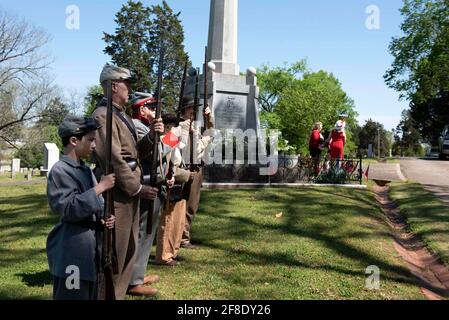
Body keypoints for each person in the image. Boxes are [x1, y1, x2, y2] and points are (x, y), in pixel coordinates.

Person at [91, 64, 163, 299]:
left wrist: (152, 135)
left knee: (128, 250)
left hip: (127, 192)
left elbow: (133, 153)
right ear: (113, 86)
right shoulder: (103, 115)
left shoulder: (120, 114)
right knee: (114, 254)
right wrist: (137, 188)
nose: (129, 90)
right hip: (118, 194)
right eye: (126, 85)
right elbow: (112, 159)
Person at [46, 115, 116, 300]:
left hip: (90, 247)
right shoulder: (60, 170)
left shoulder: (85, 170)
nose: (94, 145)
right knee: (73, 295)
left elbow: (95, 205)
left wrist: (104, 218)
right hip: (72, 250)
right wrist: (100, 188)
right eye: (91, 139)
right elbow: (68, 208)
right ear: (74, 140)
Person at [127, 93, 161, 297]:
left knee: (147, 232)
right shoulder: (139, 127)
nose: (155, 111)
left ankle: (138, 274)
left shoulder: (145, 127)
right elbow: (156, 152)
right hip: (144, 182)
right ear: (142, 109)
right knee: (142, 231)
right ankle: (132, 280)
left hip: (151, 179)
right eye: (152, 107)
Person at [155, 113, 192, 266]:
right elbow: (162, 158)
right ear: (168, 126)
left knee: (177, 221)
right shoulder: (164, 140)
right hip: (169, 182)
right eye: (175, 126)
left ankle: (173, 251)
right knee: (168, 222)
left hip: (178, 182)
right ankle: (164, 255)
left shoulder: (173, 139)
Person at [179, 96, 213, 249]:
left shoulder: (193, 125)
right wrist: (207, 138)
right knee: (188, 206)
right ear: (185, 109)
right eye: (192, 108)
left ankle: (183, 236)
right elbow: (196, 148)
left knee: (192, 205)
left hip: (196, 167)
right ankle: (183, 238)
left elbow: (211, 129)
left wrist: (209, 117)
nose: (195, 110)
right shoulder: (183, 126)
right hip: (189, 167)